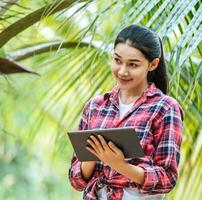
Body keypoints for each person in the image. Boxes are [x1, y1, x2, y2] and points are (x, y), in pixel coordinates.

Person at [68, 24, 184, 200]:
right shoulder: (95, 107)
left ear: (153, 64)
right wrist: (93, 156)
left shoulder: (165, 108)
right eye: (117, 60)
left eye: (133, 65)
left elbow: (168, 178)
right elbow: (76, 180)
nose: (122, 71)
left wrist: (119, 165)